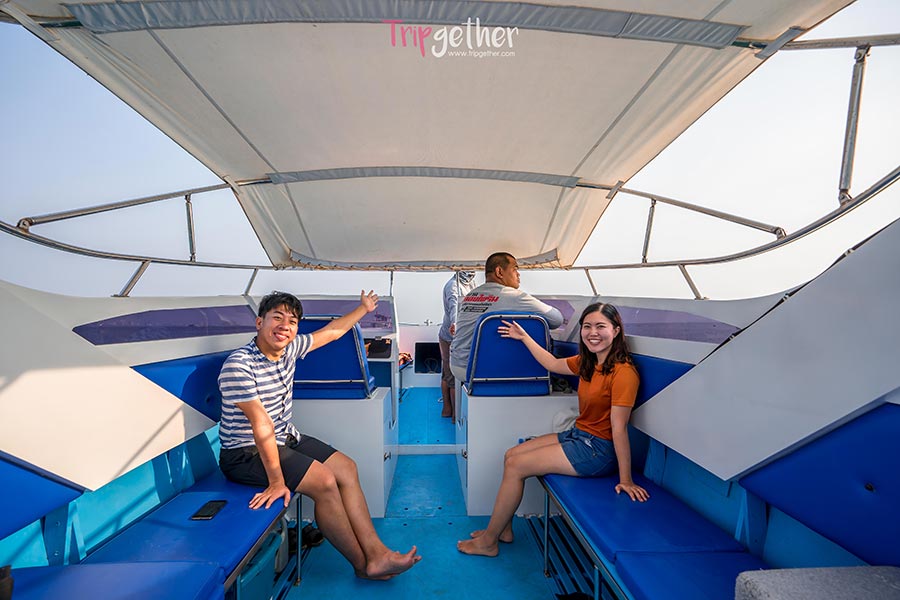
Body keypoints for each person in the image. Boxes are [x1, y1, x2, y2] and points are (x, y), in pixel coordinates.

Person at [218, 290, 421, 579]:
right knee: (325, 482)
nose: (285, 326)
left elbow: (333, 332)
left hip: (284, 438)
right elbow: (261, 425)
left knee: (346, 468)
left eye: (292, 321)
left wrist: (363, 309)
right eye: (277, 318)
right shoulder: (239, 364)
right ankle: (362, 566)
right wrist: (276, 482)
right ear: (259, 322)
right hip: (245, 452)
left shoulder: (289, 348)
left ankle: (377, 553)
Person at [457, 302, 649, 557]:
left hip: (598, 451)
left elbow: (619, 428)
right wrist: (524, 337)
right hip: (579, 436)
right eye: (587, 326)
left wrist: (626, 480)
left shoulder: (623, 373)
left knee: (516, 466)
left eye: (600, 326)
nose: (593, 333)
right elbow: (551, 363)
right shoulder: (588, 362)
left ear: (615, 331)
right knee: (512, 454)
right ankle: (504, 529)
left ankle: (488, 542)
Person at [449, 252, 564, 382]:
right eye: (515, 269)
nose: (518, 274)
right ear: (499, 272)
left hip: (457, 365)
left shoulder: (470, 296)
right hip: (480, 369)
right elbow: (557, 319)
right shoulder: (513, 296)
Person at [438, 270, 478, 418]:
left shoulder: (470, 283)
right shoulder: (453, 286)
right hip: (450, 336)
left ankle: (450, 410)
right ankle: (454, 414)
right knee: (451, 376)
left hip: (463, 334)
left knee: (449, 373)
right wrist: (455, 324)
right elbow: (453, 306)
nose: (471, 272)